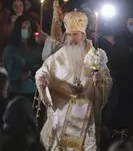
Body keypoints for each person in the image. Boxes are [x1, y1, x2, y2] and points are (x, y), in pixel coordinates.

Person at [35, 10, 112, 151]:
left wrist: (99, 80)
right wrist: (42, 80)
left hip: (85, 118)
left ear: (83, 35)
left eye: (75, 34)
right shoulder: (58, 56)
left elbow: (107, 81)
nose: (71, 39)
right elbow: (42, 72)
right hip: (62, 117)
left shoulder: (94, 56)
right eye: (69, 35)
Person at [2, 16, 42, 99]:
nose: (27, 30)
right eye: (24, 27)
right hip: (15, 91)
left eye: (29, 28)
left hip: (32, 90)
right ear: (18, 29)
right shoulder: (11, 48)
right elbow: (5, 72)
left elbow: (40, 65)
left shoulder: (36, 48)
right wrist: (20, 75)